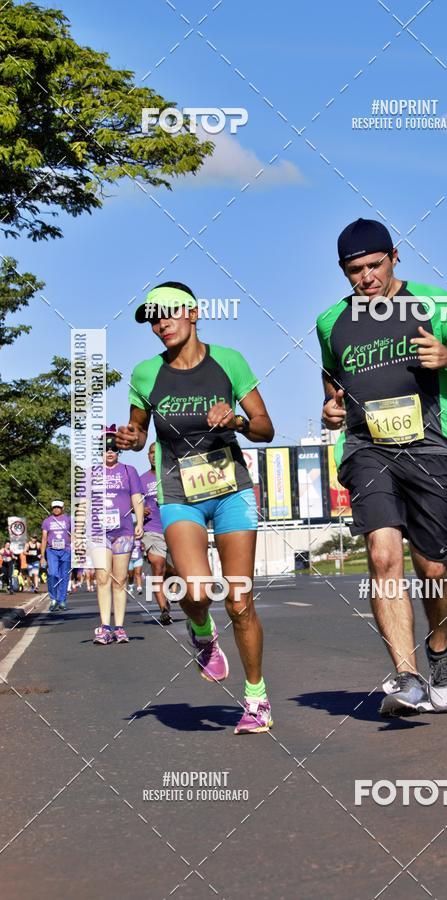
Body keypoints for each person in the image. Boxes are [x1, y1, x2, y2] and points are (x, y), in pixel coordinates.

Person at [318, 218, 447, 717]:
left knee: (432, 565)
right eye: (354, 271)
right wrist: (330, 410)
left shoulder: (435, 303)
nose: (365, 278)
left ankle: (439, 654)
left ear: (395, 256)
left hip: (429, 447)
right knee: (382, 553)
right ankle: (406, 676)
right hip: (368, 449)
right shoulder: (331, 322)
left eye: (373, 266)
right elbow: (333, 385)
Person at [117, 281, 275, 735]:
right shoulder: (146, 373)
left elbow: (265, 428)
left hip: (231, 491)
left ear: (193, 312)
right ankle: (202, 632)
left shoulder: (230, 361)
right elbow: (137, 431)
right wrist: (129, 439)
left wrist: (238, 420)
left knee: (240, 598)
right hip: (178, 492)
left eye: (168, 313)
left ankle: (256, 698)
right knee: (198, 592)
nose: (160, 323)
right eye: (153, 318)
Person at [89, 426, 144, 644]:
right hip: (98, 532)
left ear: (119, 451)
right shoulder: (91, 472)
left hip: (123, 531)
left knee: (120, 580)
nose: (110, 451)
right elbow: (84, 502)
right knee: (102, 578)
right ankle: (104, 626)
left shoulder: (129, 471)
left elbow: (137, 497)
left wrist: (139, 522)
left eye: (113, 448)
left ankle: (119, 627)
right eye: (105, 448)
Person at [140, 442, 174, 625]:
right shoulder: (141, 479)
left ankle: (172, 577)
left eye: (157, 453)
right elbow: (133, 501)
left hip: (174, 528)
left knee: (173, 569)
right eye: (151, 453)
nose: (154, 456)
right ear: (148, 456)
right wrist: (139, 508)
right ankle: (163, 609)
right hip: (152, 529)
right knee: (157, 565)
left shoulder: (172, 475)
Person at [41, 501, 72, 611]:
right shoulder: (47, 521)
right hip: (51, 551)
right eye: (54, 507)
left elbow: (74, 534)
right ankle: (53, 599)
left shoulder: (68, 519)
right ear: (51, 508)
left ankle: (62, 600)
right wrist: (42, 556)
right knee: (52, 574)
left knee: (64, 576)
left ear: (62, 508)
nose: (56, 509)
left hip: (66, 550)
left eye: (58, 507)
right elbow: (44, 538)